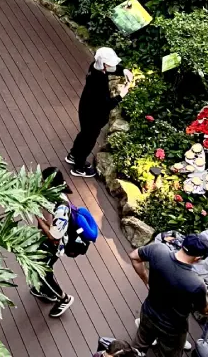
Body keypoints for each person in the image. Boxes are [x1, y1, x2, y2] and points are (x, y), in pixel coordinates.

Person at [130, 235, 208, 357]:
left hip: (148, 312)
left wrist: (146, 280)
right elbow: (206, 310)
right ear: (198, 258)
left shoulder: (158, 250)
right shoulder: (196, 284)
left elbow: (134, 257)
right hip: (172, 329)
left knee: (137, 348)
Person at [66, 47, 133, 178]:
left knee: (83, 134)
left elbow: (112, 69)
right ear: (103, 64)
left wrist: (124, 70)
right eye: (110, 64)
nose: (113, 66)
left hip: (86, 109)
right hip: (93, 116)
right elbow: (107, 104)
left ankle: (73, 155)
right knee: (88, 140)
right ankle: (79, 167)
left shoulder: (95, 68)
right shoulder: (98, 83)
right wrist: (122, 94)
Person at [29, 166, 75, 318]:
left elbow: (53, 236)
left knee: (43, 272)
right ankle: (45, 290)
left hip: (53, 246)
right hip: (43, 240)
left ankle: (63, 298)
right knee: (37, 266)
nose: (41, 183)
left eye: (44, 181)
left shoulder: (62, 208)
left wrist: (38, 216)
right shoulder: (51, 196)